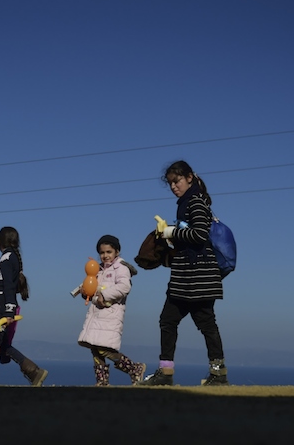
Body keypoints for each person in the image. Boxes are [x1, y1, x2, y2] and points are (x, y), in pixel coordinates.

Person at [136, 160, 228, 386]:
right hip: (190, 276)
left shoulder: (195, 202)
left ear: (189, 178)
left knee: (188, 323)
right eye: (170, 183)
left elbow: (199, 235)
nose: (173, 186)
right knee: (180, 322)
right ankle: (213, 373)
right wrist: (171, 238)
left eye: (176, 181)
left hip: (196, 277)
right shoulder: (191, 202)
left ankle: (177, 372)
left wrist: (171, 232)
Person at [0, 226, 49, 387]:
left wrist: (9, 310)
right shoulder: (14, 257)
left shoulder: (6, 258)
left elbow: (8, 286)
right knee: (1, 344)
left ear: (0, 242)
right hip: (4, 306)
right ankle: (34, 372)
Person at [76, 235, 147, 386]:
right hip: (96, 315)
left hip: (110, 315)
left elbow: (124, 287)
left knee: (104, 349)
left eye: (109, 252)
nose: (105, 255)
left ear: (117, 252)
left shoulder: (120, 268)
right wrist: (85, 292)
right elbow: (92, 289)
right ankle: (102, 381)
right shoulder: (98, 270)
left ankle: (134, 368)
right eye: (102, 253)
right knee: (95, 348)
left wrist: (105, 294)